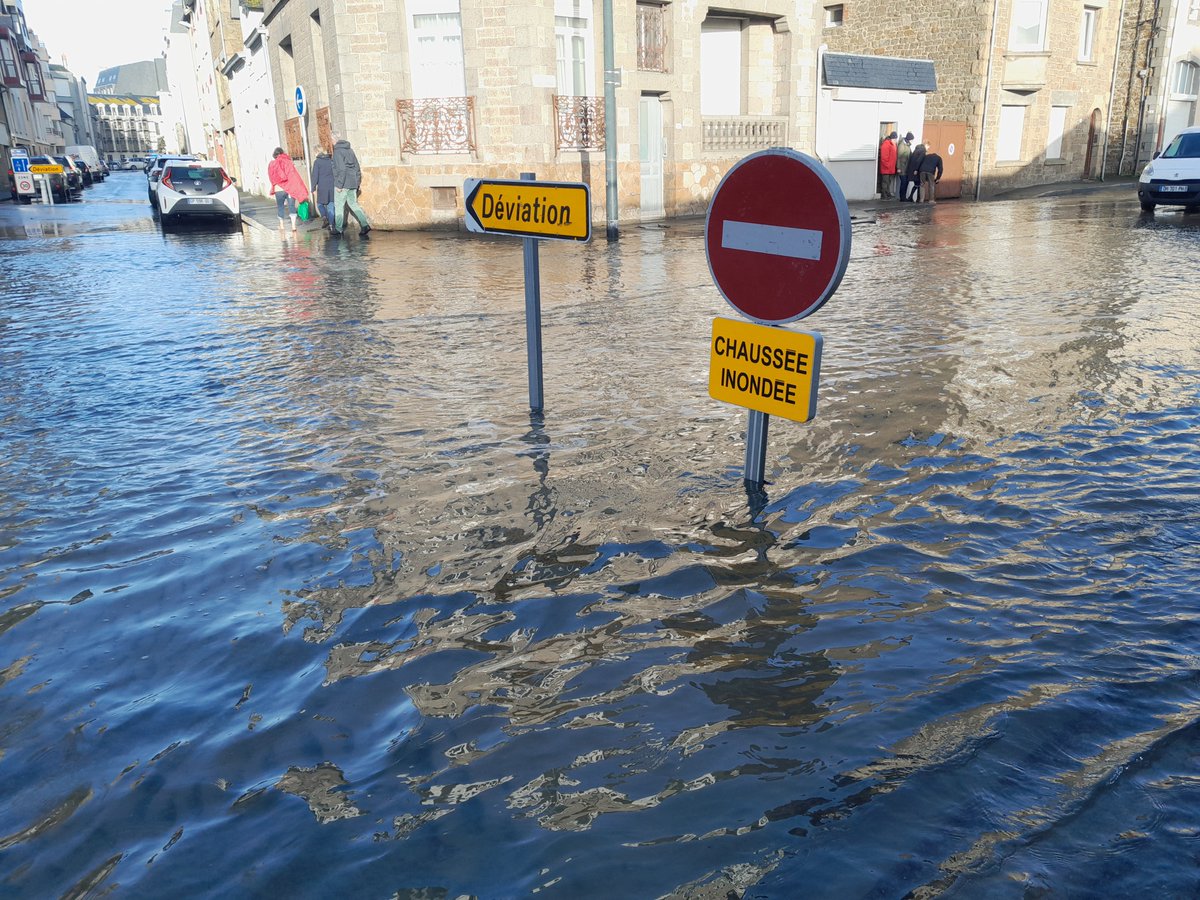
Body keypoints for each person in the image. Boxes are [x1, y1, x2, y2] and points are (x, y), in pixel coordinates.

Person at [331, 133, 371, 237]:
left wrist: (339, 185)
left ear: (333, 140)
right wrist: (357, 182)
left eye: (331, 140)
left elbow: (342, 169)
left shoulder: (337, 152)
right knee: (353, 204)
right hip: (352, 183)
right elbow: (357, 167)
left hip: (343, 184)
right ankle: (365, 225)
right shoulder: (350, 150)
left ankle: (338, 228)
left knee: (339, 206)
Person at [267, 147, 309, 233]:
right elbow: (294, 176)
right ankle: (293, 226)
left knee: (280, 207)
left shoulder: (272, 164)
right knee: (291, 206)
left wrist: (274, 185)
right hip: (290, 189)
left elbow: (271, 177)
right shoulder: (288, 162)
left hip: (279, 189)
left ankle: (282, 225)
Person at [310, 147, 335, 230]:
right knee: (331, 205)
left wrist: (313, 188)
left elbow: (315, 176)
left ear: (317, 152)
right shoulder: (331, 160)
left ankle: (324, 217)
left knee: (319, 204)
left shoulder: (317, 162)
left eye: (314, 152)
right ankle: (331, 226)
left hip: (322, 187)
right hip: (331, 186)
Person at [879, 132, 898, 199]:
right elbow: (884, 158)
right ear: (891, 138)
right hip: (886, 168)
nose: (895, 140)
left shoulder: (892, 144)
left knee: (888, 182)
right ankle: (884, 194)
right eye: (895, 139)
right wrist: (888, 166)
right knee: (885, 182)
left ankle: (887, 193)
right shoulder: (886, 144)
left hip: (890, 167)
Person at [896, 132, 914, 204]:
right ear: (909, 139)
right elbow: (899, 157)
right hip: (902, 168)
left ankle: (904, 197)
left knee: (906, 182)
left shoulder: (908, 145)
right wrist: (898, 167)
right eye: (912, 140)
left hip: (906, 168)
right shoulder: (902, 145)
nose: (912, 141)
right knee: (903, 183)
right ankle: (902, 197)